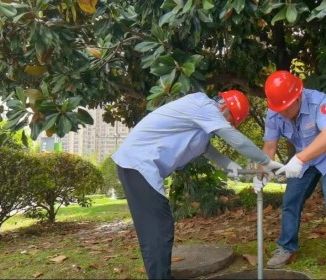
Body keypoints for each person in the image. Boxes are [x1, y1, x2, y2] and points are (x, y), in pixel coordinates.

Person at [112, 90, 284, 279]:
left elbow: (208, 150)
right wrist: (267, 162)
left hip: (138, 167)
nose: (227, 126)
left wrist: (230, 166)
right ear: (224, 107)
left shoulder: (200, 119)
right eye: (230, 121)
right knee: (157, 232)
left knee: (159, 230)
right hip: (137, 165)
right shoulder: (203, 105)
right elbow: (236, 140)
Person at [257, 70, 326, 279]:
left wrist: (299, 159)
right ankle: (287, 247)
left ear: (298, 96)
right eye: (278, 108)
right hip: (305, 158)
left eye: (285, 107)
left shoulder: (318, 100)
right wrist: (262, 173)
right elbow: (269, 146)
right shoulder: (273, 112)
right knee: (291, 200)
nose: (281, 112)